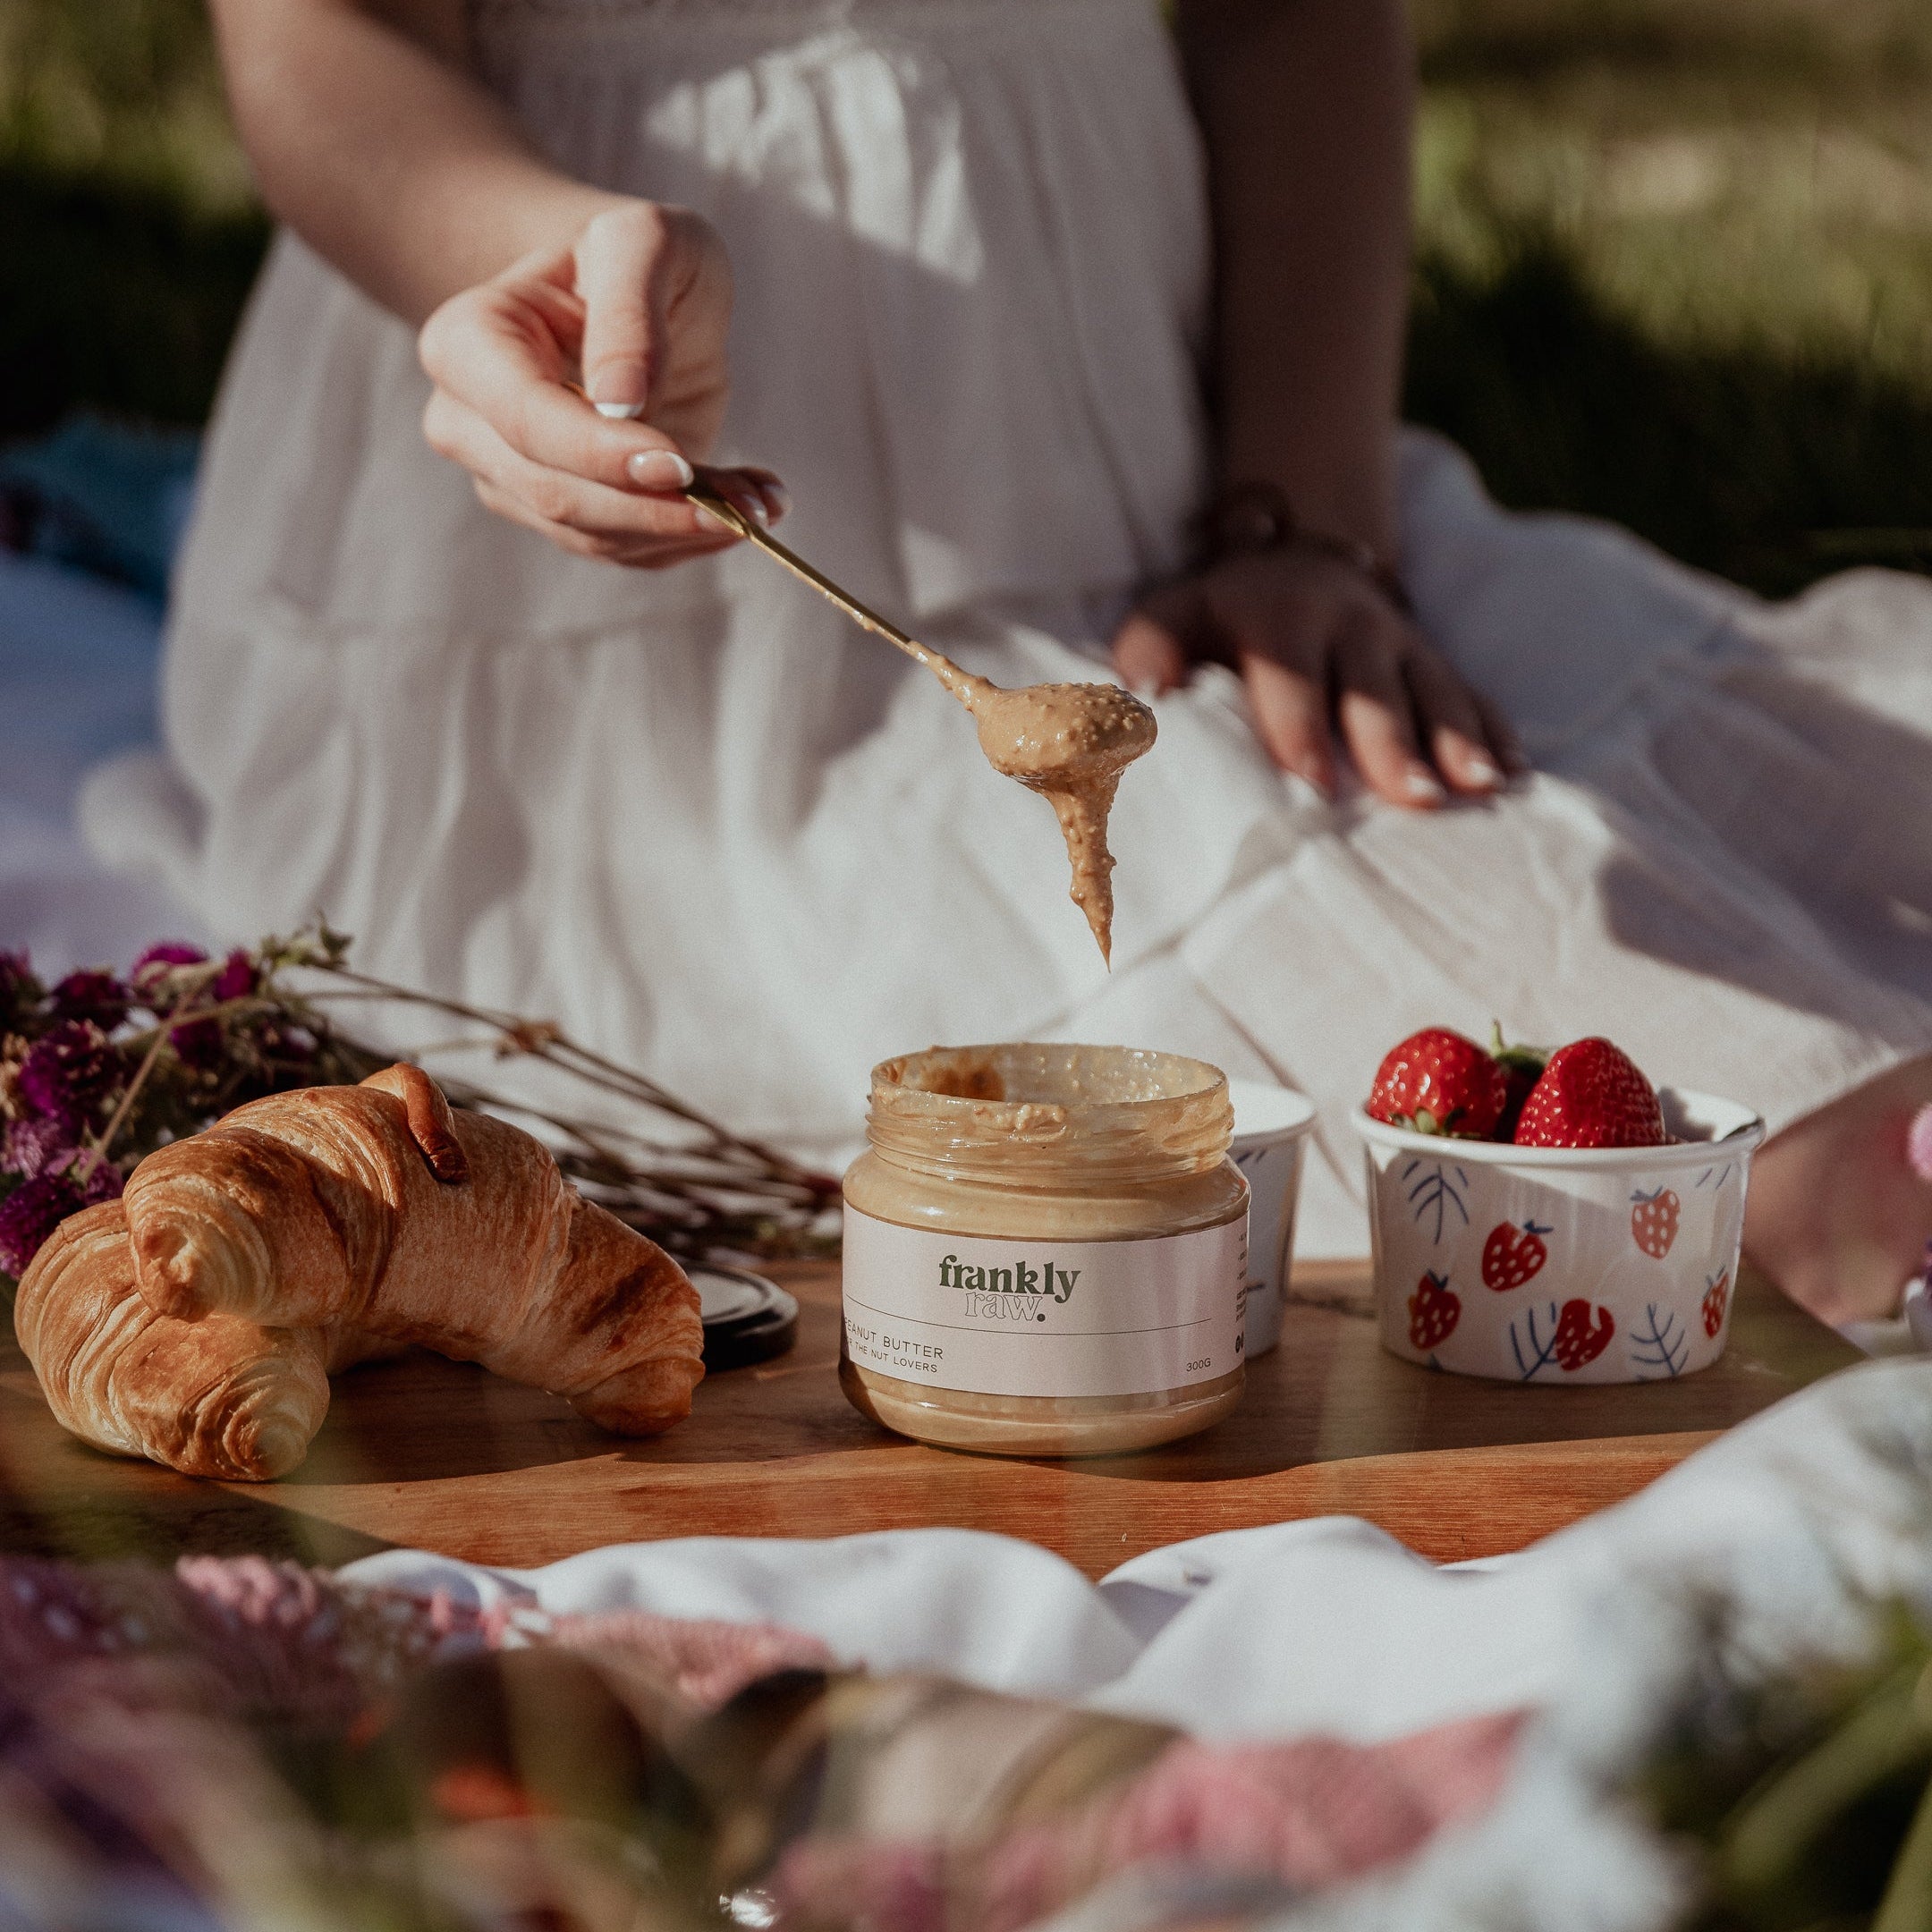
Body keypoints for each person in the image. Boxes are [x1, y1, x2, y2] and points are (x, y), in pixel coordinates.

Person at [85, 0, 1932, 1324]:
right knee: (1718, 1194)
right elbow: (321, 34)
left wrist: (1298, 521)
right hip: (661, 640)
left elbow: (1288, 28)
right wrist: (533, 268)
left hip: (1185, 457)